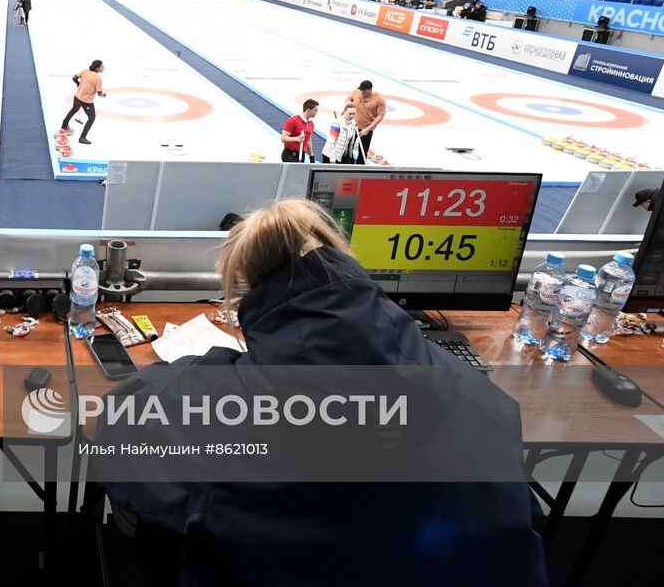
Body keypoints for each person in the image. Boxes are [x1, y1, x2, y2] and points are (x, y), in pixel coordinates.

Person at [96, 199, 547, 587]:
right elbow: (521, 509)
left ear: (246, 295)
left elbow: (120, 428)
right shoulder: (476, 392)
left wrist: (202, 371)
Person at [60, 59, 105, 145]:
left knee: (74, 109)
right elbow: (99, 93)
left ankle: (64, 125)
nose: (103, 68)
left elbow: (74, 78)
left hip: (77, 96)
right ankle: (82, 137)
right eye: (102, 66)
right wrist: (104, 95)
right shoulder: (98, 78)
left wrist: (78, 84)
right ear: (97, 69)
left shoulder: (85, 71)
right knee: (91, 118)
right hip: (86, 101)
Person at [345, 80, 386, 159]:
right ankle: (348, 165)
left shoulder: (379, 99)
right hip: (353, 126)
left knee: (363, 152)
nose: (362, 93)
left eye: (364, 92)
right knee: (347, 148)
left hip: (367, 129)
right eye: (361, 91)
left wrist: (367, 129)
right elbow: (348, 99)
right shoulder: (357, 92)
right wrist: (349, 106)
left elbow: (380, 116)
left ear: (370, 90)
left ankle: (360, 168)